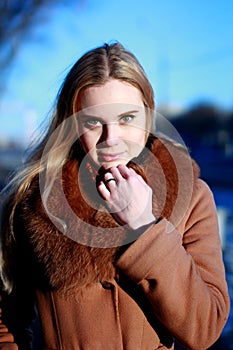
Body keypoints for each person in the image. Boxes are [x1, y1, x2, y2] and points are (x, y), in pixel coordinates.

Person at [0, 42, 230, 350]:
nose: (112, 140)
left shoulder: (190, 197)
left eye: (127, 119)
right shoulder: (35, 203)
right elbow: (7, 316)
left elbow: (205, 328)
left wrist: (145, 226)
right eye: (94, 122)